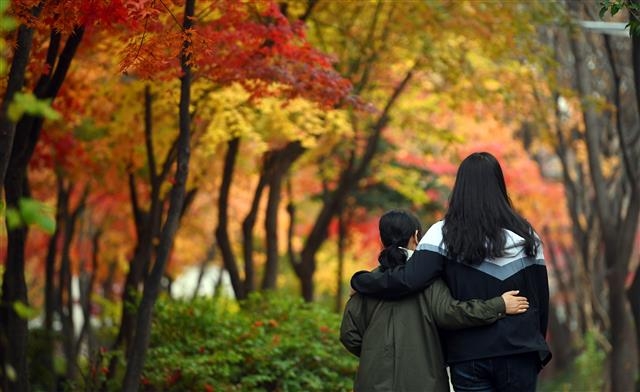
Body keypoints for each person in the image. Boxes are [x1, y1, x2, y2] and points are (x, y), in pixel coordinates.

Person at [350, 152, 551, 392]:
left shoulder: (441, 235)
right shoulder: (527, 236)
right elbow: (541, 301)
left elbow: (406, 281)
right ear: (499, 184)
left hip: (468, 353)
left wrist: (362, 281)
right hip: (520, 349)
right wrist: (535, 346)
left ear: (460, 187)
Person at [340, 209, 530, 392]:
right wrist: (499, 305)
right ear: (416, 236)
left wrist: (376, 354)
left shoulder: (367, 286)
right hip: (424, 383)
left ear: (382, 240)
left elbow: (349, 334)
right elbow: (451, 313)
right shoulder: (428, 280)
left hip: (372, 383)